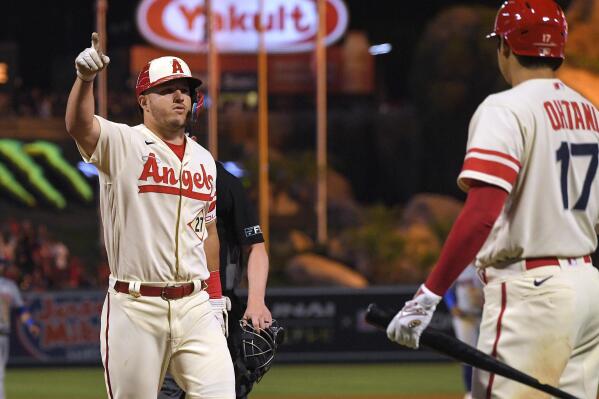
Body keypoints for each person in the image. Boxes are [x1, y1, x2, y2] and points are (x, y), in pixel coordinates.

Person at [385, 1, 599, 398]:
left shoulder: (505, 108)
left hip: (533, 292)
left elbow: (482, 212)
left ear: (505, 46)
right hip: (588, 286)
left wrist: (428, 295)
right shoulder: (589, 112)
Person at [65, 33, 235, 399]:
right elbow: (79, 125)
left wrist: (216, 297)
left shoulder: (204, 159)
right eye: (168, 89)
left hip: (196, 306)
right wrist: (85, 80)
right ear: (144, 100)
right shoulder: (122, 142)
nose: (180, 97)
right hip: (136, 306)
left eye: (186, 90)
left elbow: (207, 231)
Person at [159, 161, 272, 399]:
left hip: (218, 305)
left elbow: (256, 248)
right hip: (163, 303)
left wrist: (256, 301)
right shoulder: (149, 177)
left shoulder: (221, 179)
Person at [443, 264, 483, 399]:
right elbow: (447, 289)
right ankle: (470, 392)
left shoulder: (485, 264)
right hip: (463, 317)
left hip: (484, 315)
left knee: (489, 352)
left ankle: (488, 389)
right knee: (467, 354)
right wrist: (452, 305)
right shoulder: (461, 267)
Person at [0, 267, 39, 399]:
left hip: (3, 335)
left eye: (2, 263)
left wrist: (30, 324)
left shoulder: (9, 286)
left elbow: (20, 310)